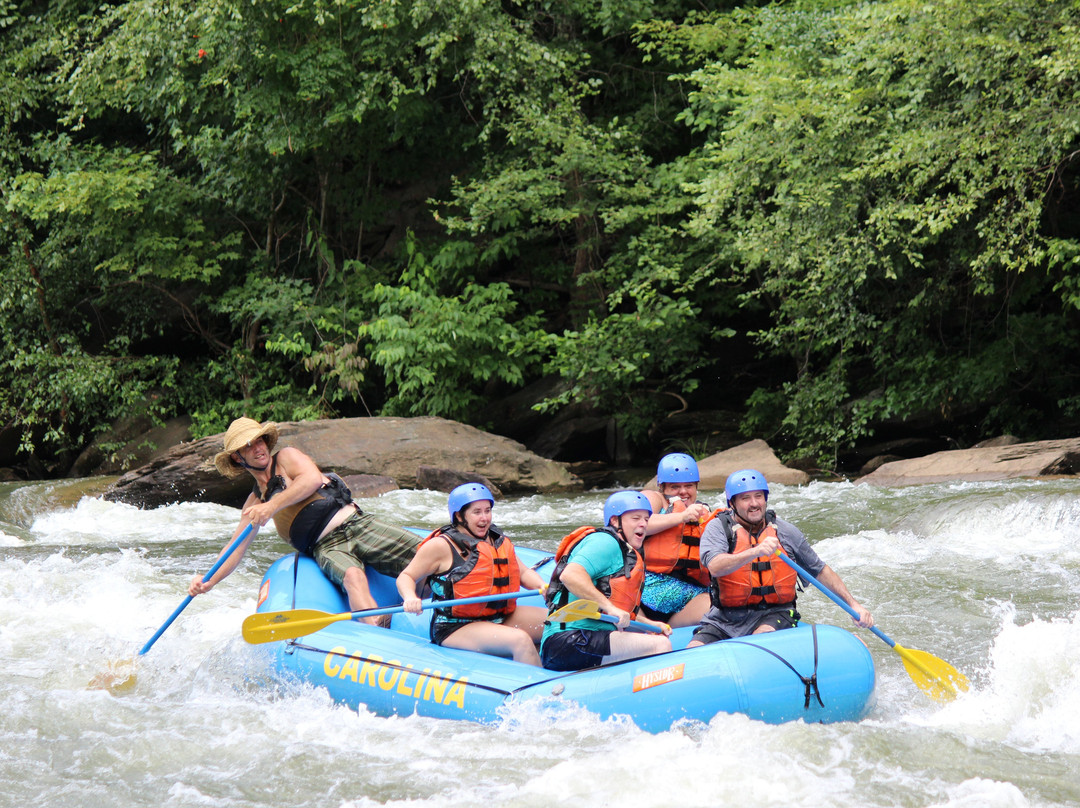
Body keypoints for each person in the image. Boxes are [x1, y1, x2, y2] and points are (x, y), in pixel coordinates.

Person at [189, 417, 421, 626]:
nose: (257, 447)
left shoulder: (287, 457)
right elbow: (236, 547)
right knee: (352, 576)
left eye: (259, 440)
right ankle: (378, 630)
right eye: (248, 445)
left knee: (424, 551)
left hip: (357, 524)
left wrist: (271, 506)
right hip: (327, 546)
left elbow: (310, 480)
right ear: (237, 457)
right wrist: (209, 580)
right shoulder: (253, 503)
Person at [689, 469, 873, 646]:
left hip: (775, 614)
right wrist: (756, 551)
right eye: (745, 498)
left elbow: (819, 570)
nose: (754, 503)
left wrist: (854, 605)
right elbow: (715, 566)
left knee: (760, 638)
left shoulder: (785, 532)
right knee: (694, 650)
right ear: (732, 503)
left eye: (758, 496)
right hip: (724, 618)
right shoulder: (718, 528)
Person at [396, 483, 548, 665]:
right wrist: (409, 597)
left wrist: (542, 586)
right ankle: (537, 691)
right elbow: (406, 577)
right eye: (477, 512)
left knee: (559, 623)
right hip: (456, 626)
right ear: (459, 516)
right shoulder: (441, 546)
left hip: (499, 616)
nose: (484, 518)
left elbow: (522, 572)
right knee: (520, 641)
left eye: (488, 510)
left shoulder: (496, 539)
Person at [540, 490, 672, 671]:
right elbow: (570, 575)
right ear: (615, 521)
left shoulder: (625, 551)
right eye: (635, 518)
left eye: (646, 519)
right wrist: (610, 608)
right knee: (660, 646)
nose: (643, 524)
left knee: (656, 638)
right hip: (568, 640)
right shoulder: (605, 541)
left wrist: (648, 624)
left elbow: (612, 607)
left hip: (588, 638)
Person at [639, 452, 724, 628]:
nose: (683, 491)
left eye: (688, 486)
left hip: (691, 592)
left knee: (730, 599)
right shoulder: (653, 499)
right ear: (662, 487)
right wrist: (681, 516)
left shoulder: (702, 512)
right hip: (650, 589)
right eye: (675, 487)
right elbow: (637, 524)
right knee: (716, 604)